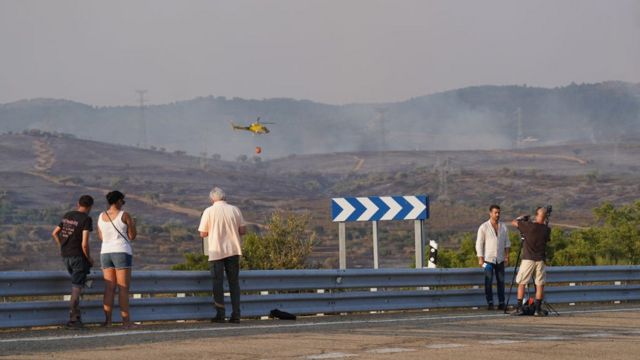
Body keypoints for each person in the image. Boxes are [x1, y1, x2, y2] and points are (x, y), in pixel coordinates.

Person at [198, 187, 246, 323]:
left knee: (217, 283)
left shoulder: (208, 211)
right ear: (224, 197)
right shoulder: (235, 209)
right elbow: (243, 230)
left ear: (212, 198)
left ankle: (220, 314)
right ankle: (236, 314)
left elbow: (202, 233)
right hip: (233, 250)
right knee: (234, 283)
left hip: (216, 251)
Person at [52, 195, 95, 329]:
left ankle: (77, 318)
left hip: (66, 256)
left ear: (78, 204)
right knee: (76, 289)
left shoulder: (68, 215)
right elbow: (84, 244)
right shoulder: (86, 219)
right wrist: (89, 258)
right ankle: (72, 319)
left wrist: (62, 247)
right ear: (90, 206)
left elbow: (54, 233)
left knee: (77, 285)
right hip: (78, 257)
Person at [97, 190, 138, 328]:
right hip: (121, 251)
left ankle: (107, 321)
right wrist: (132, 223)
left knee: (109, 288)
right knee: (123, 289)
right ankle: (126, 322)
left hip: (105, 252)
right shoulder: (124, 215)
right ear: (118, 201)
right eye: (122, 201)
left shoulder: (101, 216)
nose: (123, 203)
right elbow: (132, 236)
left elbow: (101, 237)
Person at [511, 207, 551, 316]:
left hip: (528, 258)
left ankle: (519, 307)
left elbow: (514, 222)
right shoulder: (547, 229)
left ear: (537, 215)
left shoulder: (529, 226)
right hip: (540, 260)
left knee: (522, 283)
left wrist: (523, 219)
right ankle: (538, 309)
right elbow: (546, 237)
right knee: (539, 285)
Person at [476, 204, 511, 310]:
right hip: (488, 259)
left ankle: (501, 303)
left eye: (499, 212)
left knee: (501, 282)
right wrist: (480, 258)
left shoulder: (503, 226)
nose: (497, 214)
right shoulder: (484, 227)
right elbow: (479, 243)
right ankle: (490, 303)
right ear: (490, 213)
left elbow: (507, 243)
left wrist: (507, 256)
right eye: (495, 212)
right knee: (489, 281)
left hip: (500, 259)